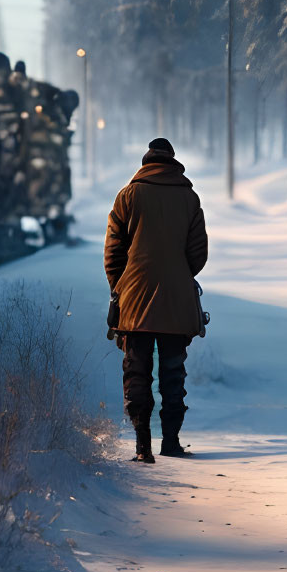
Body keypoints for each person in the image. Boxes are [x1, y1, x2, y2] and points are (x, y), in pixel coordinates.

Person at [104, 137, 209, 463]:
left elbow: (112, 252)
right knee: (172, 374)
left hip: (134, 303)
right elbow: (199, 255)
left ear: (146, 162)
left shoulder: (127, 196)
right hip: (176, 303)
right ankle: (172, 442)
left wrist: (122, 285)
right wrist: (177, 275)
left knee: (137, 373)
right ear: (173, 162)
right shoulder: (189, 199)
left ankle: (142, 445)